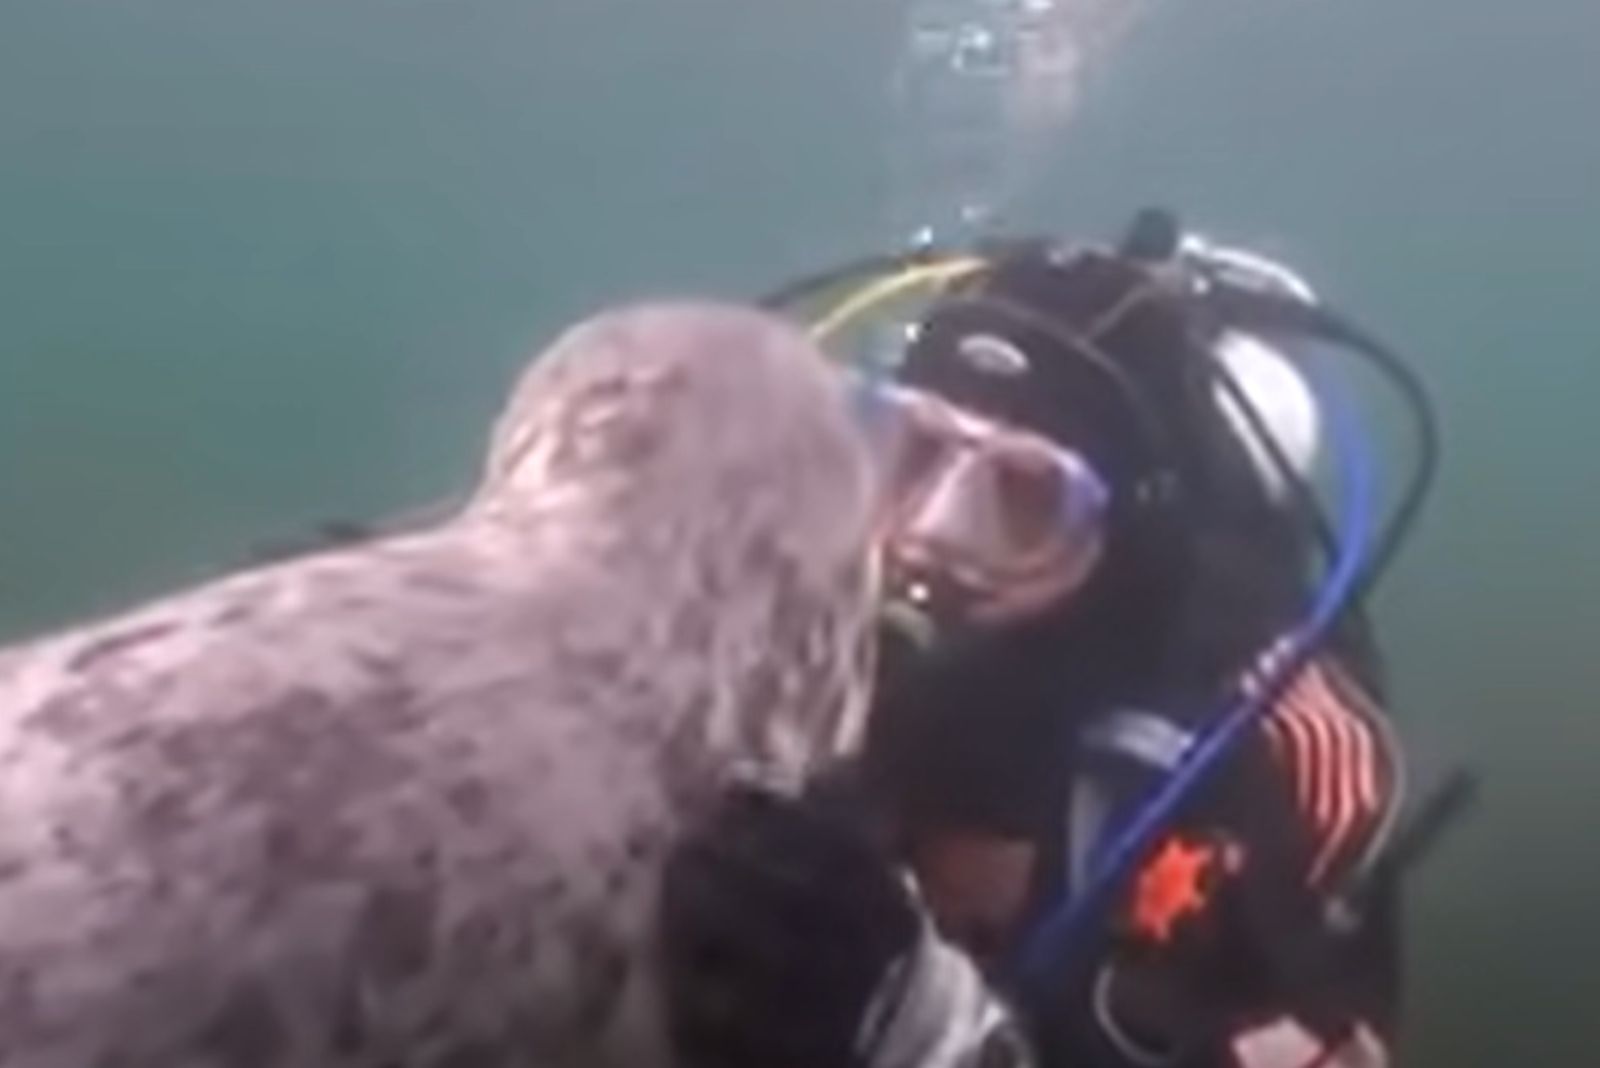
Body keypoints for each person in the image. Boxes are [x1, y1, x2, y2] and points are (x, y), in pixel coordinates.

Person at [658, 213, 1433, 1068]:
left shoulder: (1266, 738)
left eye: (1022, 497)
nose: (928, 535)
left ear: (1125, 540)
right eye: (912, 453)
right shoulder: (775, 633)